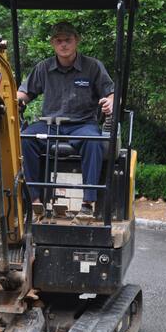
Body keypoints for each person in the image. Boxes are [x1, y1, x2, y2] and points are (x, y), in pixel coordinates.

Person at [17, 21, 114, 219]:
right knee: (25, 137)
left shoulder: (93, 67)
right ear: (53, 43)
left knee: (94, 142)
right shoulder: (44, 68)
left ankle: (88, 204)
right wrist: (16, 100)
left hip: (82, 125)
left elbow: (112, 93)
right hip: (50, 125)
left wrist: (111, 102)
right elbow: (24, 92)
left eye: (67, 40)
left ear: (76, 41)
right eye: (59, 41)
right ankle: (35, 201)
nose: (63, 45)